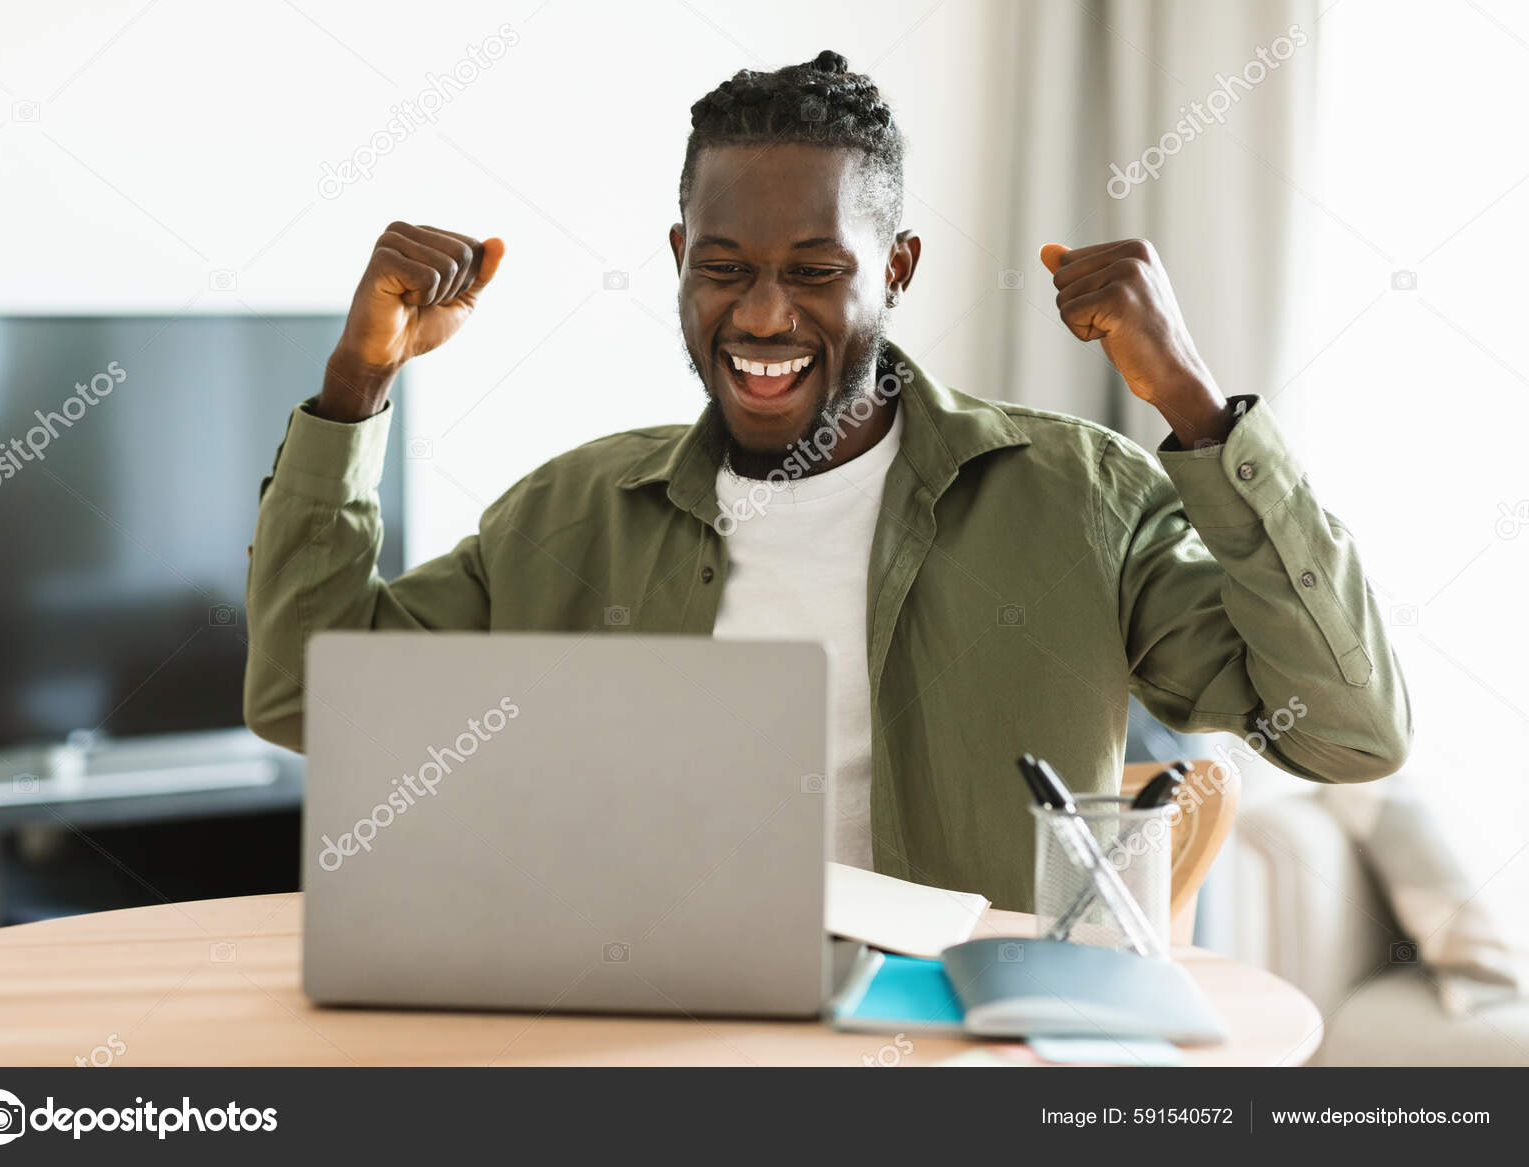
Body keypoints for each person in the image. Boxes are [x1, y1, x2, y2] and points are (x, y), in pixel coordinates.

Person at [243, 50, 1410, 908]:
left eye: (815, 270)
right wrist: (357, 387)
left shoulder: (1074, 497)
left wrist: (1197, 409)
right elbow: (306, 698)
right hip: (648, 1051)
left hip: (947, 1069)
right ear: (677, 263)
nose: (761, 316)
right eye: (724, 270)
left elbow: (1351, 736)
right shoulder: (572, 512)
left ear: (895, 267)